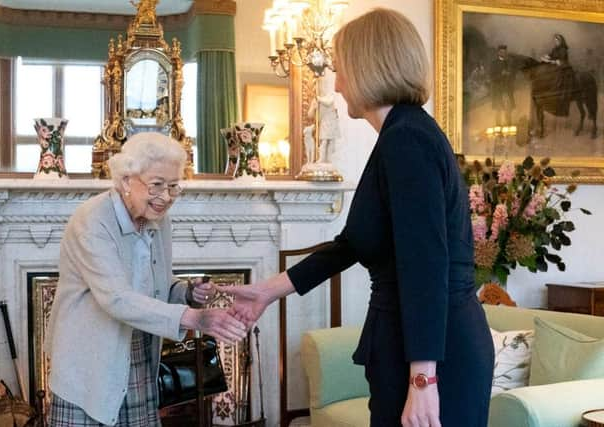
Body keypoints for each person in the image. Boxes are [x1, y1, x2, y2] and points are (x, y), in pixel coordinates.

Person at [223, 8, 494, 427]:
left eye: (342, 68)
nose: (338, 82)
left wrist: (423, 379)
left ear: (369, 66)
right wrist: (266, 291)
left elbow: (425, 264)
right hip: (408, 346)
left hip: (434, 356)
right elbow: (353, 243)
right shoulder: (400, 135)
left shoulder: (407, 139)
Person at [45, 132, 247, 427]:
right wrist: (195, 318)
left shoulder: (158, 219)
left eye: (174, 187)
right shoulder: (92, 221)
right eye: (156, 185)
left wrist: (186, 293)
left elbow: (155, 286)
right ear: (126, 180)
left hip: (138, 353)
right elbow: (116, 297)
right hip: (90, 362)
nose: (165, 197)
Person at [540, 33, 573, 116]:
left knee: (559, 79)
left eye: (557, 40)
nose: (556, 42)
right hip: (555, 67)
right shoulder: (555, 49)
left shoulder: (563, 49)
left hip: (563, 68)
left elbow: (560, 61)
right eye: (555, 40)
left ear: (561, 41)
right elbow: (550, 55)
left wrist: (550, 61)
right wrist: (545, 57)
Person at [490, 45, 516, 126]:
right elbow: (492, 77)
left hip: (507, 90)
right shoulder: (494, 63)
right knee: (498, 110)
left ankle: (508, 126)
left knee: (508, 109)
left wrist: (510, 75)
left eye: (505, 52)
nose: (503, 53)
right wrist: (501, 74)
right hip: (498, 90)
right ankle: (498, 128)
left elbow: (513, 76)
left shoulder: (509, 63)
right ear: (498, 53)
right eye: (501, 52)